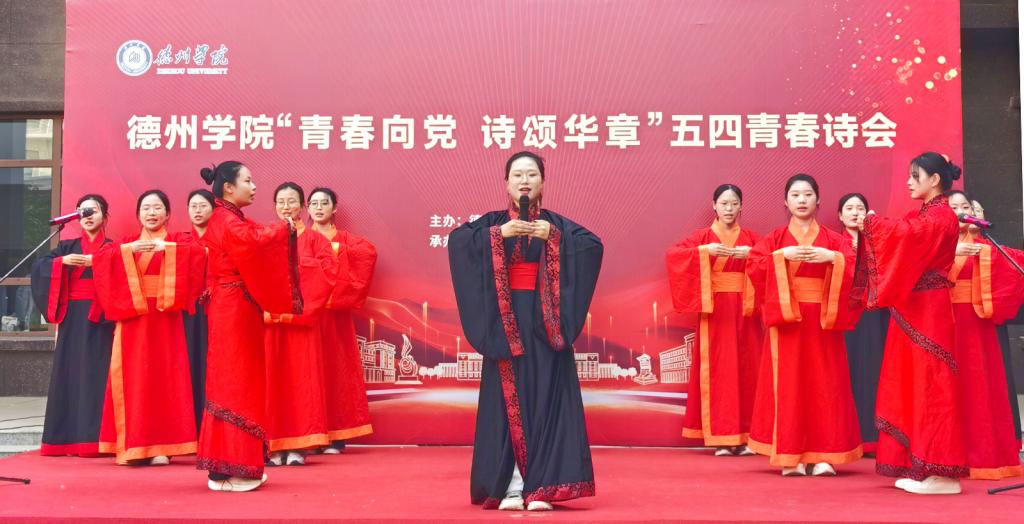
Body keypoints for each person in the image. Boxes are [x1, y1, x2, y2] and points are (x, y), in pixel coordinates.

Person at [449, 151, 602, 511]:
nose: (524, 181)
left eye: (532, 174)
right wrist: (498, 235)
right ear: (506, 183)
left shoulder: (556, 224)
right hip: (505, 326)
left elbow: (593, 247)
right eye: (517, 175)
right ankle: (511, 486)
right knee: (508, 402)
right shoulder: (492, 223)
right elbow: (458, 243)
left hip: (546, 323)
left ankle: (543, 487)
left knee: (547, 397)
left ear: (543, 182)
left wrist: (554, 237)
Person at [853, 152, 967, 495]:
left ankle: (943, 474)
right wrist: (878, 225)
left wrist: (874, 223)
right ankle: (922, 465)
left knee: (932, 385)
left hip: (929, 310)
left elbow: (907, 235)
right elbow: (905, 232)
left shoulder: (941, 216)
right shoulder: (927, 214)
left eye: (915, 176)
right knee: (915, 383)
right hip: (916, 308)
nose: (908, 182)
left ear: (935, 179)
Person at [746, 174, 863, 477]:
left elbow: (857, 268)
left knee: (826, 384)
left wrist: (833, 258)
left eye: (808, 194)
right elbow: (754, 266)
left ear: (818, 199)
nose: (801, 200)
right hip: (788, 319)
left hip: (824, 320)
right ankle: (790, 455)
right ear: (785, 201)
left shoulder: (834, 241)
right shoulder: (775, 240)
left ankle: (825, 454)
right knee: (789, 384)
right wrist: (780, 256)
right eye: (795, 195)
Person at [195, 161, 301, 492]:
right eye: (248, 181)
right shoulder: (226, 219)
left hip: (234, 305)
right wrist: (283, 228)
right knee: (238, 382)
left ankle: (223, 469)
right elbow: (254, 241)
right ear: (228, 187)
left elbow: (254, 236)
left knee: (234, 380)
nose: (254, 187)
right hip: (233, 307)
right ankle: (235, 468)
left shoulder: (229, 217)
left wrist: (279, 229)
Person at [91, 190, 206, 465]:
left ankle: (163, 446)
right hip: (134, 317)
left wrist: (168, 249)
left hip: (165, 318)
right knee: (133, 378)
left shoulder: (178, 241)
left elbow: (199, 253)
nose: (151, 213)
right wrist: (128, 252)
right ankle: (132, 445)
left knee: (165, 378)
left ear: (168, 213)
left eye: (157, 208)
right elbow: (101, 259)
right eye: (145, 208)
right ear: (138, 214)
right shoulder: (127, 243)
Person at [666, 184, 762, 456]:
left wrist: (752, 255)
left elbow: (772, 259)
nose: (729, 209)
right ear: (714, 206)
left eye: (734, 203)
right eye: (723, 203)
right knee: (719, 370)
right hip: (715, 309)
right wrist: (704, 251)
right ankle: (722, 437)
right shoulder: (702, 237)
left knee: (749, 368)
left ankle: (748, 436)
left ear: (741, 206)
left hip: (746, 309)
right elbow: (674, 256)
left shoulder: (752, 239)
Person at [945, 190, 1023, 480]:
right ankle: (946, 456)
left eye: (964, 206)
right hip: (945, 321)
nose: (960, 211)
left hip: (977, 323)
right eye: (953, 206)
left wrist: (986, 256)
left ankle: (985, 454)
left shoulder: (985, 246)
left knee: (980, 384)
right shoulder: (934, 244)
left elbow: (1014, 266)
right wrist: (952, 253)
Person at [30, 194, 114, 457]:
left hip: (102, 318)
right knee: (70, 374)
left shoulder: (112, 248)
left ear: (105, 216)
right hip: (72, 318)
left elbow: (122, 273)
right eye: (82, 211)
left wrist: (97, 263)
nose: (87, 216)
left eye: (93, 210)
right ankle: (64, 440)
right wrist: (61, 262)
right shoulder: (66, 247)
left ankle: (97, 440)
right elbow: (40, 267)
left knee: (98, 376)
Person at [264, 182, 337, 466]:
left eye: (292, 201)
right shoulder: (264, 238)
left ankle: (298, 446)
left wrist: (295, 272)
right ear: (274, 206)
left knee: (301, 382)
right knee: (271, 381)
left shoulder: (316, 241)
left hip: (301, 322)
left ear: (302, 206)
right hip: (270, 321)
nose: (286, 207)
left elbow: (328, 274)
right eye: (281, 202)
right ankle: (271, 445)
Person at [308, 187, 377, 453]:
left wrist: (335, 251)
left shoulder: (346, 241)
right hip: (308, 316)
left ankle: (337, 434)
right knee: (309, 374)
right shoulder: (301, 239)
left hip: (335, 317)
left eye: (324, 203)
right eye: (313, 203)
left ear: (334, 207)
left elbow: (367, 254)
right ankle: (311, 434)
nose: (318, 208)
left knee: (336, 372)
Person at [838, 193, 888, 454]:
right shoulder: (835, 243)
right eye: (849, 208)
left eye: (860, 208)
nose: (855, 212)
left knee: (874, 371)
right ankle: (847, 437)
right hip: (845, 315)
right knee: (846, 371)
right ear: (840, 215)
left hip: (874, 314)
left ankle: (875, 438)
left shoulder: (880, 242)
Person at [183, 188, 215, 432]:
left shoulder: (223, 239)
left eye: (203, 206)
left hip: (216, 306)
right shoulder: (182, 241)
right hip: (189, 310)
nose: (197, 211)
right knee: (190, 362)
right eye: (193, 206)